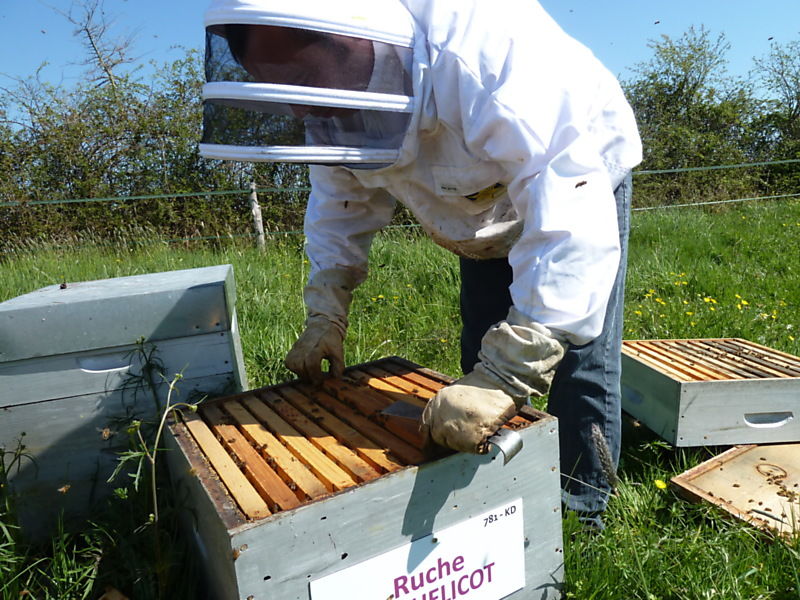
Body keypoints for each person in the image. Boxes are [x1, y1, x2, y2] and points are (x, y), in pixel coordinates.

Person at [201, 0, 642, 525]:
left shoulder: (490, 52)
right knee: (482, 344)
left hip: (576, 176)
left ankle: (582, 508)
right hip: (473, 205)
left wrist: (512, 370)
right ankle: (503, 498)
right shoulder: (328, 104)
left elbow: (566, 200)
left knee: (573, 359)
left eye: (298, 76)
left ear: (348, 37)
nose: (300, 111)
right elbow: (340, 204)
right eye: (279, 86)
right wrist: (326, 310)